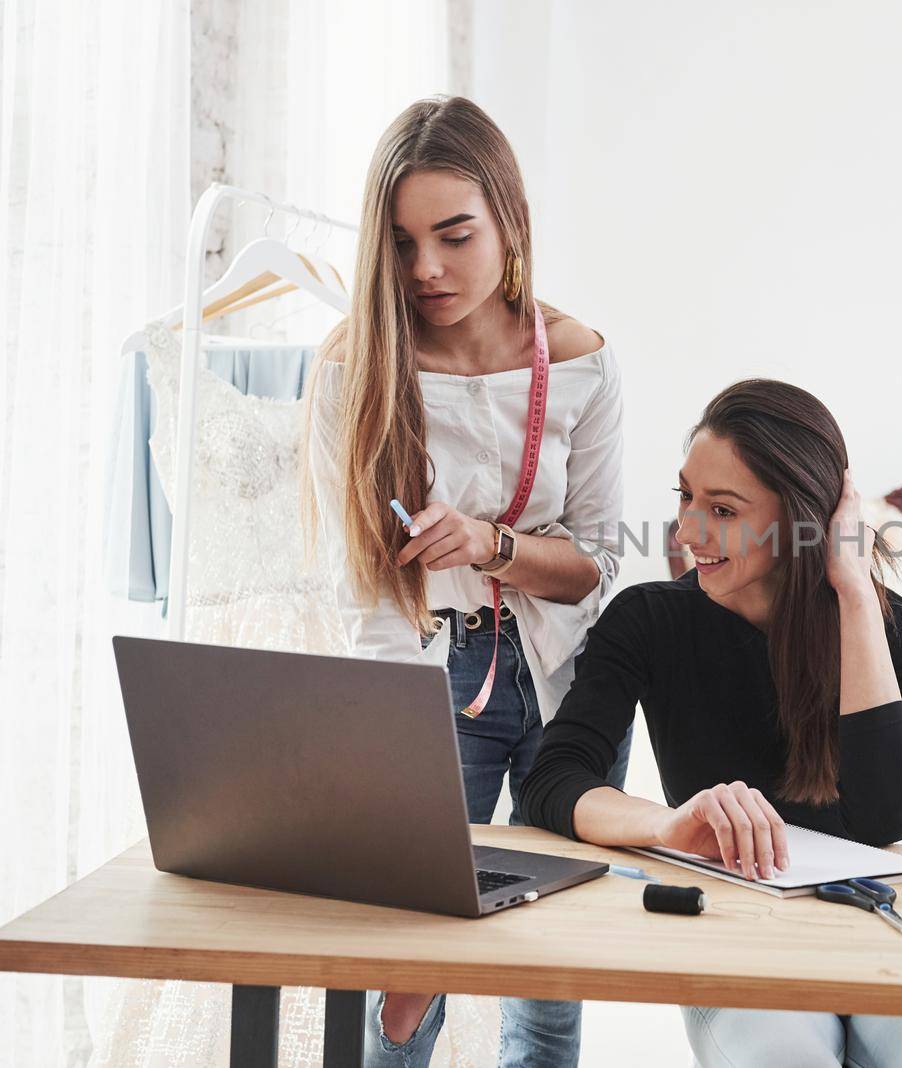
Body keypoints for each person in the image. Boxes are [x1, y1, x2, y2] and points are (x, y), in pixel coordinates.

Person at [520, 378, 902, 1067]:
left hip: (873, 926)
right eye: (686, 497)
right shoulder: (650, 621)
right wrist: (669, 824)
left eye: (722, 508)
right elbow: (552, 782)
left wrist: (855, 593)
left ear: (802, 519)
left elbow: (884, 814)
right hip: (735, 932)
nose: (687, 530)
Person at [302, 94, 629, 1068]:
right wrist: (384, 735)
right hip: (427, 675)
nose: (426, 270)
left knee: (550, 969)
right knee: (409, 975)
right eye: (400, 244)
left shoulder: (582, 363)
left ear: (510, 223)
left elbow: (593, 572)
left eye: (453, 235)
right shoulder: (353, 372)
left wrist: (490, 544)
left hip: (569, 682)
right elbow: (360, 593)